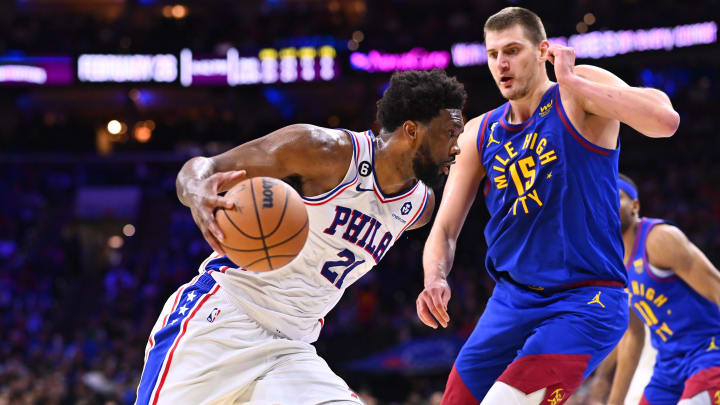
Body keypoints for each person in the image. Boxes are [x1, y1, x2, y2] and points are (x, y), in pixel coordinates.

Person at [134, 69, 467, 405]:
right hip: (222, 321)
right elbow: (202, 168)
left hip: (291, 347)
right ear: (411, 130)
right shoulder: (324, 151)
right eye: (450, 134)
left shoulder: (419, 207)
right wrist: (197, 190)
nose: (456, 148)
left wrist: (435, 277)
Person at [415, 7, 680, 405]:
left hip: (586, 300)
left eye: (513, 50)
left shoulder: (577, 93)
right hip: (512, 300)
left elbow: (664, 120)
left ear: (543, 51)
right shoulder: (480, 132)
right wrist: (435, 276)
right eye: (492, 54)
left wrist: (573, 80)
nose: (501, 64)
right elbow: (445, 231)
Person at [591, 173, 720, 405]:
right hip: (668, 367)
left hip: (709, 351)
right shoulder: (610, 269)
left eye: (616, 197)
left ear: (635, 206)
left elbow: (717, 288)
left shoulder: (659, 239)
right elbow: (633, 335)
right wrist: (614, 400)